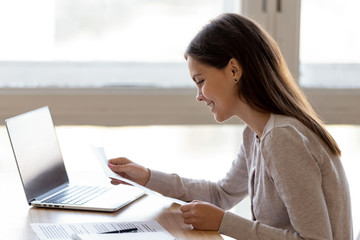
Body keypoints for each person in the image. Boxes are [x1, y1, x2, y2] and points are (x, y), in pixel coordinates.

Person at [108, 13, 353, 239]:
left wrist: (224, 222)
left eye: (200, 81)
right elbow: (221, 195)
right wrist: (147, 177)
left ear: (234, 70)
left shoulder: (282, 137)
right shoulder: (255, 134)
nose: (199, 96)